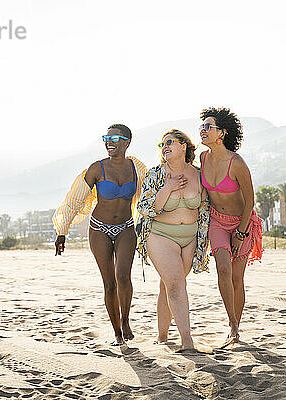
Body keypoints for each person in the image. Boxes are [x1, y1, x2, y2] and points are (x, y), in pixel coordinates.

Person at [53, 124, 147, 345]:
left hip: (126, 227)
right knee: (109, 284)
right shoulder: (96, 168)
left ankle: (126, 320)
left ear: (127, 141)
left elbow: (152, 190)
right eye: (106, 137)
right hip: (99, 229)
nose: (109, 142)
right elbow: (74, 200)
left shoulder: (136, 168)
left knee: (123, 276)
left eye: (114, 137)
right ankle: (116, 332)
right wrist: (62, 231)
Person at [136, 129, 210, 350]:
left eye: (170, 142)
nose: (164, 146)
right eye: (162, 144)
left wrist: (204, 242)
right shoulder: (155, 174)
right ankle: (187, 340)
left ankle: (162, 335)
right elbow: (147, 208)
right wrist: (167, 188)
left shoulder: (199, 175)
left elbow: (205, 210)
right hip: (161, 236)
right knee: (177, 284)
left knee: (168, 285)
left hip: (189, 238)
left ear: (184, 146)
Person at [198, 107, 263, 347]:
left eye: (208, 126)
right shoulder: (203, 158)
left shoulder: (237, 164)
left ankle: (236, 326)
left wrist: (241, 232)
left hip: (241, 221)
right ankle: (232, 325)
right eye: (202, 126)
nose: (203, 130)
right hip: (217, 221)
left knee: (237, 278)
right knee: (222, 269)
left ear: (222, 133)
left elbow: (250, 201)